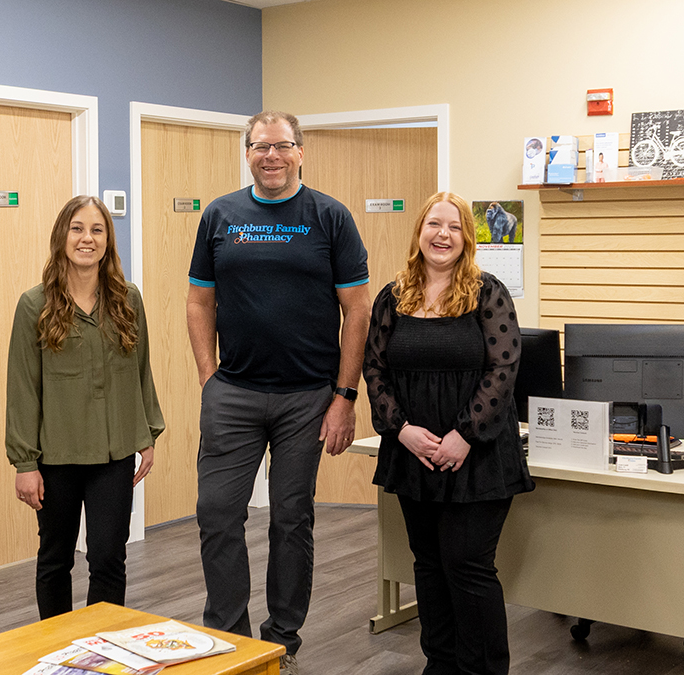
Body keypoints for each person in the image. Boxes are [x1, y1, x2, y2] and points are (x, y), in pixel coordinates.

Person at [186, 110, 371, 674]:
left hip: (307, 398)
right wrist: (207, 376)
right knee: (218, 514)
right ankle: (230, 639)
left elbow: (357, 309)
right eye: (260, 146)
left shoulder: (329, 217)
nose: (271, 156)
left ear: (300, 152)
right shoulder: (220, 215)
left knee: (292, 518)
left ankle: (281, 639)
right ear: (247, 152)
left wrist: (345, 396)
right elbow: (199, 301)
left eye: (282, 146)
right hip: (233, 394)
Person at [362, 191, 535, 675]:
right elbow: (374, 368)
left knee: (468, 566)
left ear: (468, 237)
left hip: (476, 455)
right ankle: (440, 665)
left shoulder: (488, 292)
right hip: (414, 452)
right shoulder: (393, 296)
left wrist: (465, 434)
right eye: (434, 224)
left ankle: (482, 670)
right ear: (419, 232)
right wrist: (402, 430)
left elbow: (504, 368)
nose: (444, 235)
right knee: (429, 565)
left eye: (455, 226)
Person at [6, 194, 164, 619]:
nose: (87, 238)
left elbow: (141, 370)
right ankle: (60, 652)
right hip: (56, 456)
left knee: (109, 559)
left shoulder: (128, 299)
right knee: (56, 559)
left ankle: (102, 650)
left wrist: (146, 433)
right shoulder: (34, 305)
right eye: (77, 228)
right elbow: (23, 387)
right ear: (62, 236)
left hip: (113, 456)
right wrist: (25, 463)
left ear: (108, 241)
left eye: (97, 230)